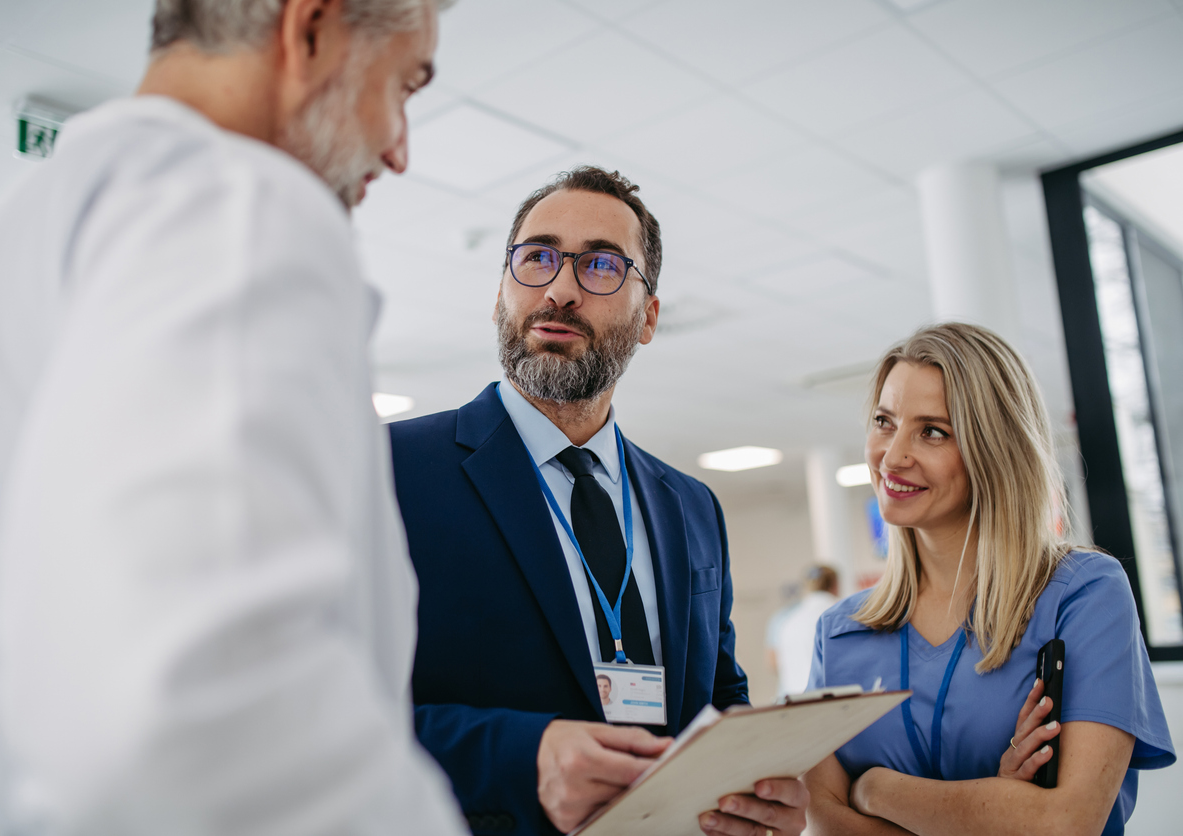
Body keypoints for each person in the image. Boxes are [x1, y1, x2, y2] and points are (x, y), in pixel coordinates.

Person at [0, 1, 469, 834]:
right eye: (403, 84)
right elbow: (184, 722)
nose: (398, 148)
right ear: (310, 30)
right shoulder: (236, 204)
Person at [389, 166, 809, 836]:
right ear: (499, 295)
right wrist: (522, 756)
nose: (559, 289)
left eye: (602, 267)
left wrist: (754, 786)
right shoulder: (389, 469)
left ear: (648, 318)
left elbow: (720, 694)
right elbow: (312, 711)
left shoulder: (693, 507)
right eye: (537, 259)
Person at [803, 323, 1175, 836]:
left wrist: (875, 790)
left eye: (933, 431)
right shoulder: (839, 633)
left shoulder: (1083, 594)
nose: (892, 457)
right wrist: (995, 807)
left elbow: (1066, 823)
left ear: (994, 449)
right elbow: (825, 825)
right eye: (884, 421)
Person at [774, 566, 839, 697]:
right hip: (832, 700)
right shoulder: (839, 613)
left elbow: (776, 663)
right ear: (835, 585)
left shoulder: (788, 620)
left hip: (795, 700)